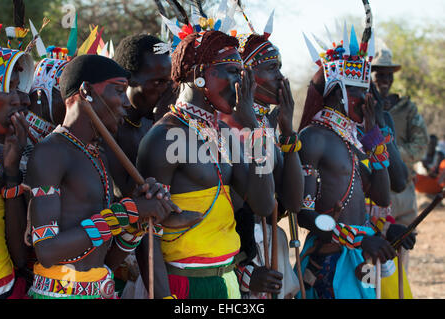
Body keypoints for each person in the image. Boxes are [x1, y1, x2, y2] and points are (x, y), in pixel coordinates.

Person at [136, 15, 277, 298]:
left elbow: (264, 205)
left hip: (228, 281)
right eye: (232, 72)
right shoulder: (164, 137)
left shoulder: (223, 133)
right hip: (183, 284)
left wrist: (256, 130)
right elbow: (146, 231)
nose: (241, 85)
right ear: (198, 74)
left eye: (242, 73)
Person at [25, 54, 180, 299]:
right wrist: (129, 211)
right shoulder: (51, 152)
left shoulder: (97, 154)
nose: (126, 102)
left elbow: (106, 258)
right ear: (86, 91)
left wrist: (137, 223)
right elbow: (47, 250)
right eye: (119, 91)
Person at [296, 3, 415, 298]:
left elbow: (383, 196)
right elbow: (304, 214)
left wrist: (375, 139)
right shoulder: (314, 138)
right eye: (361, 92)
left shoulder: (352, 139)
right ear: (338, 92)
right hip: (330, 258)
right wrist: (360, 240)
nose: (367, 99)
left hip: (359, 257)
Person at [220, 11, 303, 298]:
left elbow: (292, 203)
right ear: (246, 75)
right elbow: (258, 206)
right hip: (236, 261)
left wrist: (288, 131)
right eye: (272, 68)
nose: (281, 77)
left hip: (268, 256)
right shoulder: (223, 126)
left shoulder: (266, 123)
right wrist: (245, 274)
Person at [111, 33, 174, 298]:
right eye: (157, 82)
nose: (165, 91)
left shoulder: (155, 123)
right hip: (117, 257)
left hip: (158, 253)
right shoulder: (110, 130)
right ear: (128, 80)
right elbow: (129, 196)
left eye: (169, 82)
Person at [372, 45, 429, 272]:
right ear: (371, 75)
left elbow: (420, 146)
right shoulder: (363, 106)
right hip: (372, 195)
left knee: (398, 263)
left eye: (388, 75)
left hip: (402, 194)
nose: (384, 79)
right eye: (379, 73)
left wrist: (390, 153)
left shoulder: (407, 109)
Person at [0, 45, 34, 299]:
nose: (24, 99)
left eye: (21, 87)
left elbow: (21, 255)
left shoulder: (19, 152)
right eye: (10, 88)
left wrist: (11, 170)